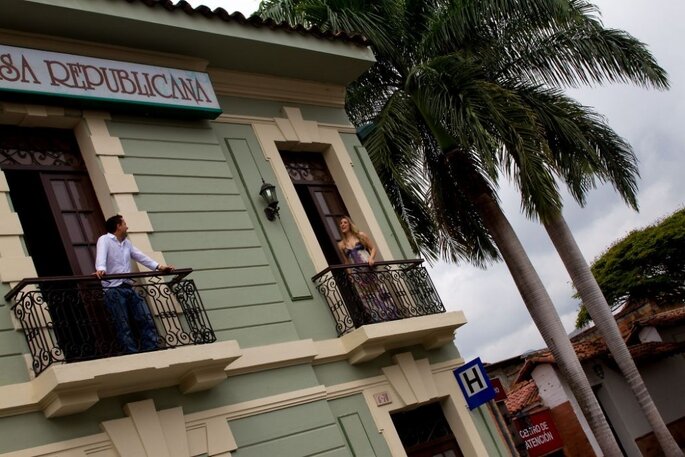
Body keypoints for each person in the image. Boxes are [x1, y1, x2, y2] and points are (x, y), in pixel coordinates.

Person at [94, 214, 173, 354]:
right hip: (113, 290)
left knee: (145, 317)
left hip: (127, 286)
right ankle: (131, 352)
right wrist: (101, 269)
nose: (127, 226)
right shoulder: (105, 239)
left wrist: (160, 267)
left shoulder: (127, 243)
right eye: (124, 223)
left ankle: (151, 347)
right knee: (122, 324)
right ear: (118, 226)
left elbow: (141, 257)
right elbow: (101, 255)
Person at [336, 216, 398, 322]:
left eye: (345, 222)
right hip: (357, 275)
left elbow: (372, 248)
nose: (342, 224)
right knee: (367, 298)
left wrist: (371, 257)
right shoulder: (341, 244)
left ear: (350, 224)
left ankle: (392, 317)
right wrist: (349, 275)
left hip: (369, 269)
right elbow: (346, 262)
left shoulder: (361, 235)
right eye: (341, 223)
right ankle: (377, 319)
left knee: (380, 292)